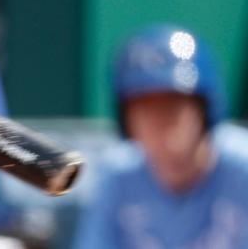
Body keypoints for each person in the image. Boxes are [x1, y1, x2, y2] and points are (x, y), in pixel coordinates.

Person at [73, 23, 248, 248]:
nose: (159, 121)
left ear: (204, 110)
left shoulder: (242, 169)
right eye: (145, 108)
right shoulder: (117, 177)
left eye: (172, 105)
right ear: (127, 122)